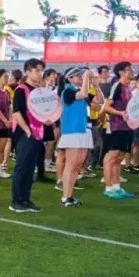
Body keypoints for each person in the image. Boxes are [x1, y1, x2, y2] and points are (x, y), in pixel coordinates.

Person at [9, 58, 48, 213]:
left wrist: (48, 120)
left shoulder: (39, 91)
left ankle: (25, 199)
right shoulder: (21, 89)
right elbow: (16, 112)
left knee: (30, 168)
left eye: (41, 70)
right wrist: (27, 131)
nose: (39, 73)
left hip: (38, 133)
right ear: (28, 71)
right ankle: (16, 201)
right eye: (36, 70)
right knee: (22, 167)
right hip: (24, 133)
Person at [57, 67, 94, 207]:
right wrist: (86, 77)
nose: (80, 77)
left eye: (81, 75)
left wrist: (94, 84)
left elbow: (98, 100)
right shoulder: (68, 91)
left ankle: (70, 194)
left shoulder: (79, 91)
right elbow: (84, 93)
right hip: (72, 131)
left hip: (82, 130)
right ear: (69, 78)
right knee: (71, 165)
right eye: (77, 75)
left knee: (78, 165)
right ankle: (65, 196)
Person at [101, 61, 135, 199]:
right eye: (129, 69)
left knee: (119, 157)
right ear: (121, 72)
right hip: (116, 127)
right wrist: (120, 113)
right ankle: (108, 188)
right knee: (112, 157)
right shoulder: (117, 86)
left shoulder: (128, 88)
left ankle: (116, 187)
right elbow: (106, 107)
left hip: (127, 126)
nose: (132, 71)